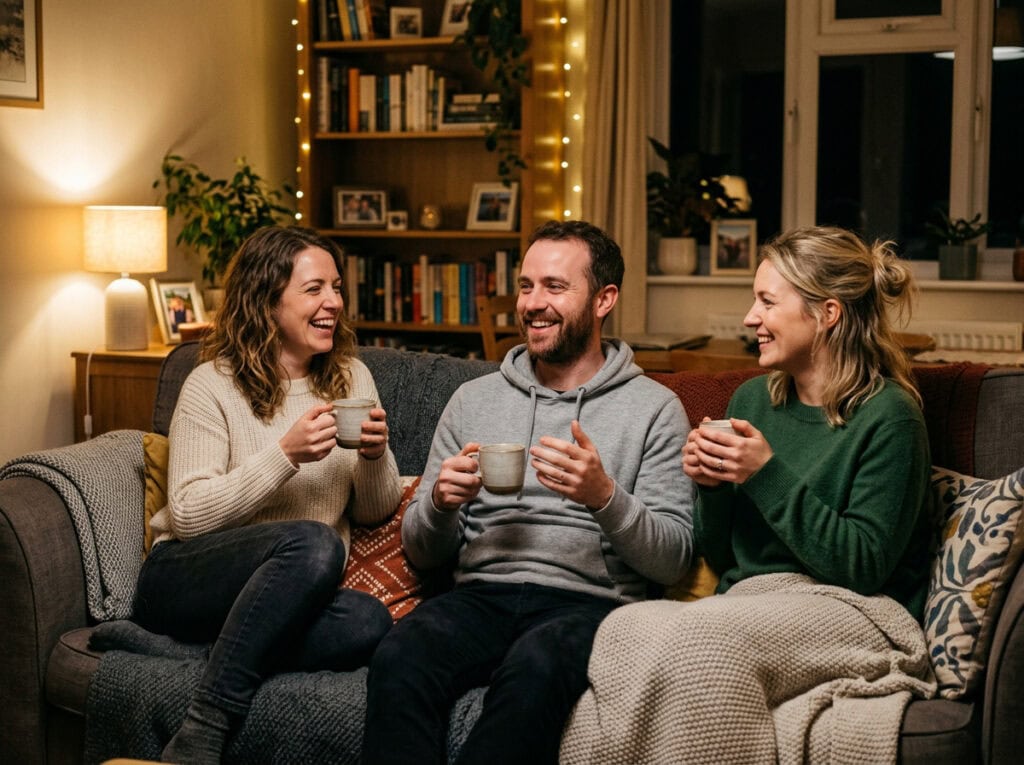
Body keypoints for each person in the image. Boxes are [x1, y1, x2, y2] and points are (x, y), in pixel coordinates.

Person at [560, 226, 936, 763]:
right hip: (753, 600)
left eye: (767, 301)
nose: (749, 318)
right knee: (625, 628)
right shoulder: (752, 400)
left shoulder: (890, 417)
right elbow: (722, 556)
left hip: (857, 610)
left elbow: (863, 567)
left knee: (705, 645)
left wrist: (764, 473)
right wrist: (711, 487)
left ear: (827, 313)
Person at [361, 219, 695, 765]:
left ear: (604, 299)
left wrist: (604, 497)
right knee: (400, 655)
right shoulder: (472, 400)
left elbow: (673, 560)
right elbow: (421, 553)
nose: (533, 304)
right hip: (480, 596)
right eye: (526, 286)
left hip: (589, 605)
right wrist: (440, 504)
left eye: (555, 287)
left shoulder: (654, 409)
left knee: (536, 666)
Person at [133, 225, 402, 764]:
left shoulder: (352, 378)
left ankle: (219, 651)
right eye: (313, 289)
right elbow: (187, 514)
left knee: (368, 621)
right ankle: (205, 724)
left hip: (277, 597)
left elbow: (375, 511)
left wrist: (375, 456)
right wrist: (285, 455)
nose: (333, 303)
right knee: (315, 543)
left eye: (336, 287)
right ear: (266, 300)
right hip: (185, 575)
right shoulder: (212, 384)